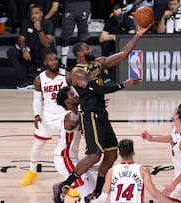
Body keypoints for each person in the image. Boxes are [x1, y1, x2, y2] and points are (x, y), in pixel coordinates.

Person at [52, 24, 151, 203]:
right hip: (89, 115)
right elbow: (96, 89)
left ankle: (96, 192)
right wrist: (123, 85)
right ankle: (64, 185)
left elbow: (123, 54)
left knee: (112, 153)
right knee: (94, 155)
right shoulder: (77, 72)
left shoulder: (98, 63)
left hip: (101, 113)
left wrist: (138, 34)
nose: (91, 49)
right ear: (80, 54)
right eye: (87, 48)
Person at [20, 51, 70, 186]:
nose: (54, 62)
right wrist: (37, 115)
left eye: (55, 59)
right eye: (50, 60)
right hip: (46, 116)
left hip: (64, 115)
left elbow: (75, 93)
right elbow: (36, 100)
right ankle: (32, 171)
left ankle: (70, 180)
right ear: (45, 63)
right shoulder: (39, 79)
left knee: (66, 149)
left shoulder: (66, 75)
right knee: (37, 145)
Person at [141, 103, 181, 203]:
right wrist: (152, 139)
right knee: (165, 199)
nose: (173, 111)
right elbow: (172, 138)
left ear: (177, 115)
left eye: (175, 110)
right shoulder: (176, 129)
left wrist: (173, 184)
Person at [90, 139, 175, 203]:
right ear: (133, 152)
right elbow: (154, 193)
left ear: (119, 154)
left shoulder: (111, 171)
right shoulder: (143, 170)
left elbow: (104, 197)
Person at [55, 86, 96, 203]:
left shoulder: (77, 113)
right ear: (67, 102)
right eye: (72, 95)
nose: (76, 95)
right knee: (88, 195)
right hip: (64, 159)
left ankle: (60, 186)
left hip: (73, 159)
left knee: (94, 190)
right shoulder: (69, 116)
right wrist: (90, 105)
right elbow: (77, 120)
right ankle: (62, 187)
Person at [7, 4, 55, 88]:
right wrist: (24, 49)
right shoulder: (26, 23)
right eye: (32, 14)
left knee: (48, 53)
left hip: (43, 51)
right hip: (30, 51)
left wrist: (39, 30)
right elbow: (21, 40)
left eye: (36, 13)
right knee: (11, 52)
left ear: (41, 14)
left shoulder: (48, 24)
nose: (34, 16)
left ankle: (48, 81)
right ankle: (25, 80)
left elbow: (47, 44)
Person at [99, 3, 136, 82]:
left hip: (125, 44)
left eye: (119, 14)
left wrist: (121, 38)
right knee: (105, 45)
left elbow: (132, 35)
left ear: (122, 11)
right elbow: (102, 38)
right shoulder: (110, 21)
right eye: (115, 14)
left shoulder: (128, 20)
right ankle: (106, 73)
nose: (117, 16)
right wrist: (114, 37)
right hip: (114, 43)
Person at [60, 0, 91, 66]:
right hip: (70, 5)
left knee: (83, 36)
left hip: (83, 5)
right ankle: (63, 64)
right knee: (66, 35)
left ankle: (82, 62)